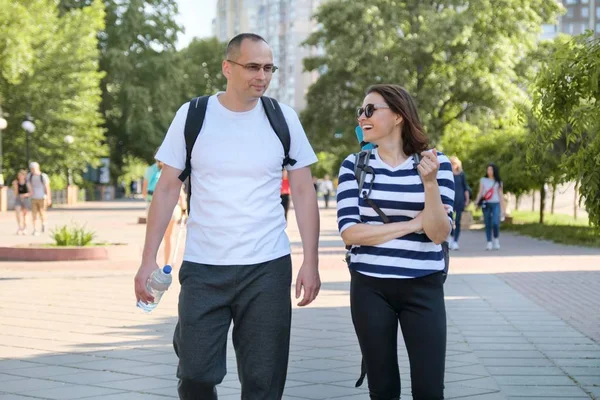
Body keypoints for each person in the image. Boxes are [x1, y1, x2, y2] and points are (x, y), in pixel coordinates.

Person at [134, 33, 321, 400]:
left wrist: (310, 262)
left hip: (267, 267)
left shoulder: (283, 119)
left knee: (263, 381)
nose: (262, 76)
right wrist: (146, 260)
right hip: (205, 266)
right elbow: (168, 188)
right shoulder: (193, 115)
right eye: (252, 66)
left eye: (268, 68)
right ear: (227, 68)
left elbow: (303, 190)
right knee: (196, 374)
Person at [336, 84, 454, 400]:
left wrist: (430, 184)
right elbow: (350, 232)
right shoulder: (354, 166)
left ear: (399, 115)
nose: (362, 117)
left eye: (371, 109)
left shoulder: (435, 163)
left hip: (424, 286)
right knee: (383, 388)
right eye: (360, 111)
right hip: (369, 287)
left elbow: (439, 233)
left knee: (430, 390)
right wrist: (415, 223)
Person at [475, 163, 505, 251]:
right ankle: (489, 242)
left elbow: (501, 195)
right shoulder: (483, 180)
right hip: (486, 203)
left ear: (494, 171)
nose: (489, 171)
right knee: (487, 223)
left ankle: (496, 239)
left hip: (496, 203)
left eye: (491, 170)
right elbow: (480, 192)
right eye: (488, 169)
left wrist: (503, 209)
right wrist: (477, 202)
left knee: (495, 222)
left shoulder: (498, 182)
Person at [449, 156, 470, 250]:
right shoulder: (448, 174)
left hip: (460, 200)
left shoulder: (461, 174)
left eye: (454, 163)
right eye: (451, 163)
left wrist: (467, 199)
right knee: (449, 220)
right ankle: (450, 238)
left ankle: (455, 241)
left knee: (457, 221)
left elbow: (465, 188)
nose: (453, 165)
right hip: (450, 200)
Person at [27, 162, 51, 236]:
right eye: (31, 169)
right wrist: (30, 192)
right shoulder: (29, 176)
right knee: (34, 214)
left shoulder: (43, 176)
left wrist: (49, 198)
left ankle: (44, 223)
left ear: (38, 168)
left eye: (34, 168)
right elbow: (29, 185)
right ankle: (35, 229)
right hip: (34, 197)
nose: (33, 170)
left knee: (42, 212)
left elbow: (47, 187)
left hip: (42, 197)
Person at [12, 169, 31, 235]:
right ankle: (19, 227)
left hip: (25, 199)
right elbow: (15, 193)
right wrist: (15, 186)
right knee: (17, 212)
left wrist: (25, 195)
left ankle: (25, 228)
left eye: (21, 175)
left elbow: (31, 192)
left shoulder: (27, 183)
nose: (20, 177)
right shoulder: (16, 183)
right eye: (19, 175)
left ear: (24, 176)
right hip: (18, 198)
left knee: (25, 214)